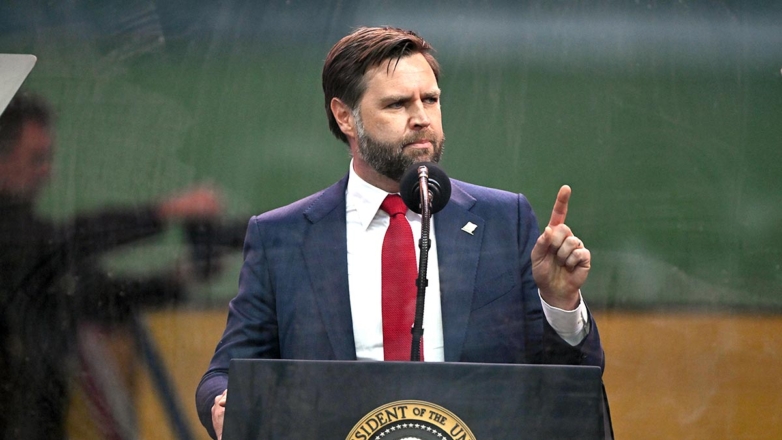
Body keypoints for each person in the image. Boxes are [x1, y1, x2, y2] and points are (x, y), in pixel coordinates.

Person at [196, 26, 606, 440]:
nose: (422, 118)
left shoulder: (504, 221)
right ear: (345, 116)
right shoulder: (282, 238)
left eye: (430, 99)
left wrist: (560, 303)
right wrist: (224, 404)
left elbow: (568, 385)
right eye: (397, 104)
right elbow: (224, 373)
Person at [0, 92, 222, 439]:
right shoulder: (21, 243)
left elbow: (95, 293)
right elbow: (64, 243)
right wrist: (163, 212)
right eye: (36, 158)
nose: (48, 173)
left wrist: (177, 278)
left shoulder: (34, 261)